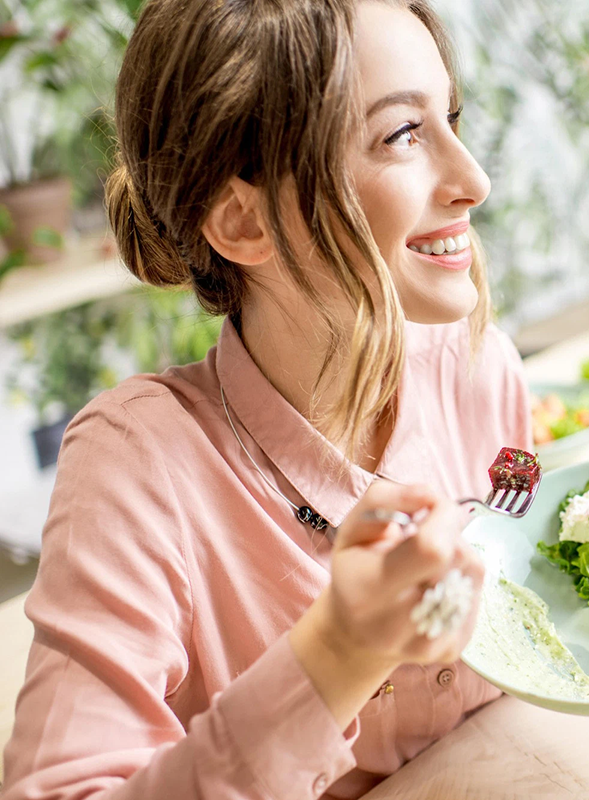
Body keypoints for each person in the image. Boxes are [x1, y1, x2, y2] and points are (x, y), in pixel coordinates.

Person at [1, 1, 531, 798]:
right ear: (244, 221)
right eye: (402, 136)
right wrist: (338, 655)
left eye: (448, 118)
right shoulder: (136, 467)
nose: (474, 181)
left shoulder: (483, 371)